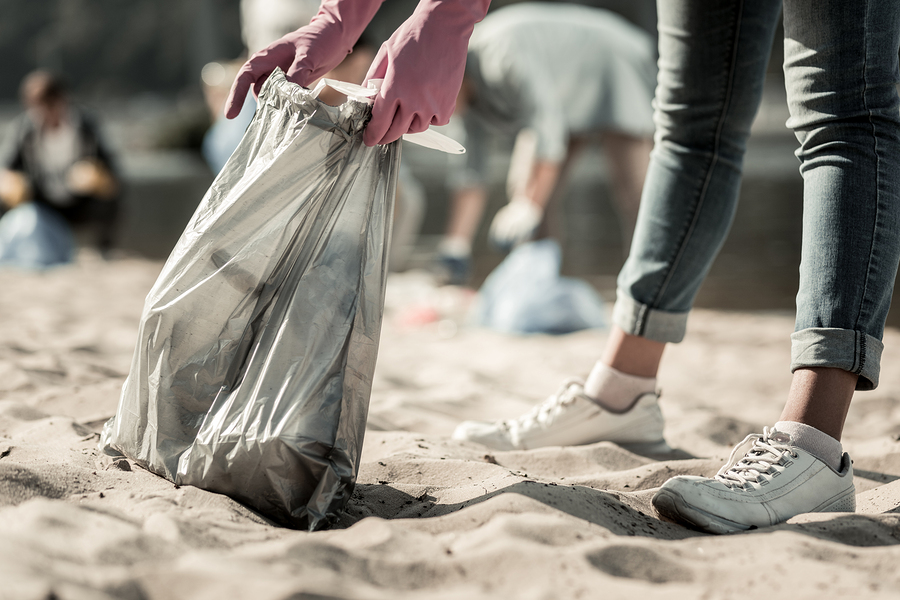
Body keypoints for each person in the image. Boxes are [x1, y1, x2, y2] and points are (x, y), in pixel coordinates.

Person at [225, 0, 900, 534]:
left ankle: (814, 437)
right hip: (564, 76)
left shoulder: (508, 56)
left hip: (601, 65)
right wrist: (336, 19)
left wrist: (445, 15)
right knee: (693, 122)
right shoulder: (483, 90)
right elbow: (487, 162)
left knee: (843, 110)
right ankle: (623, 393)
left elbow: (549, 132)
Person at [436, 2, 656, 286]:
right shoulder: (462, 95)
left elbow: (545, 126)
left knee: (637, 191)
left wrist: (529, 205)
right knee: (530, 190)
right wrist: (456, 246)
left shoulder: (500, 56)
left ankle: (651, 286)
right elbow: (470, 167)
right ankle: (539, 283)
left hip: (613, 61)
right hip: (563, 93)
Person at [0, 70, 121, 255]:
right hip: (42, 200)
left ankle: (104, 250)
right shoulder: (24, 129)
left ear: (62, 100)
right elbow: (7, 167)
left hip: (80, 199)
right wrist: (12, 183)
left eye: (49, 105)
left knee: (110, 197)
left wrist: (96, 174)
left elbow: (112, 167)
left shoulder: (87, 125)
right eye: (37, 107)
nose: (44, 113)